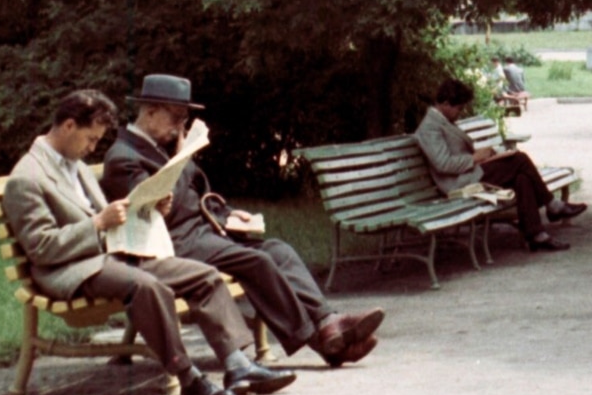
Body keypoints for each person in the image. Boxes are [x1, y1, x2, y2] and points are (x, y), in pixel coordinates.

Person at [1, 88, 279, 395]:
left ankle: (237, 365)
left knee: (204, 276)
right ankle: (190, 379)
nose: (93, 148)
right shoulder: (27, 178)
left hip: (111, 255)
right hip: (71, 269)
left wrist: (146, 208)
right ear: (68, 126)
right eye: (90, 139)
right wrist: (96, 225)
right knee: (147, 286)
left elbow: (106, 214)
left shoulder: (73, 161)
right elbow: (41, 248)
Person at [101, 74, 382, 370]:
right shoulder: (124, 157)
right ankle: (323, 342)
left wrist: (228, 214)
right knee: (257, 260)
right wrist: (181, 159)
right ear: (150, 111)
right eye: (176, 118)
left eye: (185, 121)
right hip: (173, 243)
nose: (179, 128)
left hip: (204, 231)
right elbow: (152, 212)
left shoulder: (164, 147)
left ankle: (328, 320)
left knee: (278, 250)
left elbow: (200, 194)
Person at [418, 79, 579, 251]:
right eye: (459, 108)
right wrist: (474, 158)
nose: (460, 112)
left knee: (522, 178)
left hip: (470, 173)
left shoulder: (442, 121)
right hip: (459, 183)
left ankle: (537, 235)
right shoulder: (430, 127)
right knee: (519, 159)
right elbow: (443, 163)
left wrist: (485, 157)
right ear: (445, 103)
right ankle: (552, 205)